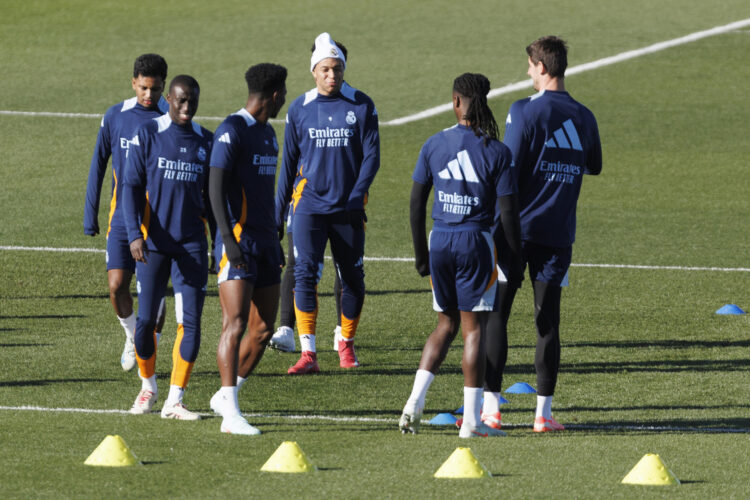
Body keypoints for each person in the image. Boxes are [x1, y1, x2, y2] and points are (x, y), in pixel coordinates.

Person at [483, 36, 602, 433]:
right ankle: (543, 415)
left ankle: (491, 410)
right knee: (548, 320)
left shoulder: (524, 111)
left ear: (543, 68)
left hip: (515, 234)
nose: (528, 73)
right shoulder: (584, 116)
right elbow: (595, 165)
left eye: (530, 66)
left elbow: (507, 172)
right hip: (558, 235)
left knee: (497, 313)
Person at [399, 73, 520, 438]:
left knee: (444, 325)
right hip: (474, 243)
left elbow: (416, 203)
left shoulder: (433, 144)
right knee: (473, 331)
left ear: (455, 102)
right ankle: (471, 422)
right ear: (484, 103)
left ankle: (412, 404)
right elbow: (509, 214)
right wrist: (512, 258)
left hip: (440, 240)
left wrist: (421, 254)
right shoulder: (497, 152)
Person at [275, 32, 380, 373]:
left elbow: (372, 157)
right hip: (308, 208)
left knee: (352, 278)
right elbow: (288, 165)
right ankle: (308, 354)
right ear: (314, 72)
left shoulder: (362, 105)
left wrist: (356, 194)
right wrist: (279, 213)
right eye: (325, 70)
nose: (332, 75)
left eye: (337, 69)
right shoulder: (300, 109)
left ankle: (345, 346)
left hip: (348, 209)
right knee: (304, 275)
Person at [122, 75, 213, 420]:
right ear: (169, 100)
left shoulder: (208, 141)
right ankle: (148, 388)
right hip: (154, 246)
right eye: (180, 101)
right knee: (145, 322)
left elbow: (215, 201)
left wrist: (219, 245)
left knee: (190, 323)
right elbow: (130, 187)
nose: (187, 108)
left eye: (192, 101)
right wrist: (134, 235)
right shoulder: (149, 135)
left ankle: (175, 400)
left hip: (191, 245)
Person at [206, 63, 288, 435]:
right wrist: (227, 243)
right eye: (283, 93)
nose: (285, 98)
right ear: (274, 95)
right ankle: (231, 415)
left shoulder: (268, 133)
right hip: (237, 243)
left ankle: (227, 395)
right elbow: (215, 190)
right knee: (235, 323)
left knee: (263, 329)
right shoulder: (232, 129)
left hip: (266, 243)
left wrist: (273, 238)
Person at [84, 54, 168, 371]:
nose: (149, 96)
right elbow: (98, 164)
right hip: (122, 217)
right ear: (133, 82)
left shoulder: (169, 119)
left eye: (156, 89)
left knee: (153, 300)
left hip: (158, 219)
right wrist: (89, 214)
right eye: (144, 88)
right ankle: (133, 337)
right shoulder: (116, 116)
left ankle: (147, 344)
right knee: (117, 286)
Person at [268, 201, 343, 353]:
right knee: (295, 262)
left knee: (343, 263)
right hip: (302, 200)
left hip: (341, 200)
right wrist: (278, 213)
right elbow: (286, 178)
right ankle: (286, 330)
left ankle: (343, 331)